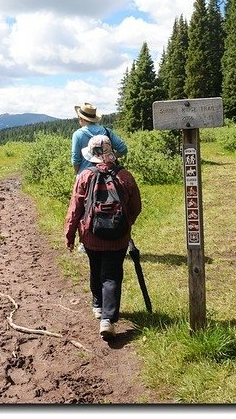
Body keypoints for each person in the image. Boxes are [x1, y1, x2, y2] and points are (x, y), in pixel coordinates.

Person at [64, 134, 142, 339]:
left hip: (91, 236)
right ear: (111, 153)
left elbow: (75, 209)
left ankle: (98, 306)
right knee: (112, 275)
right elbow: (136, 207)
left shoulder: (84, 176)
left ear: (91, 155)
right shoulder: (124, 176)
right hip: (118, 238)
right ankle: (107, 319)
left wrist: (70, 235)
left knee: (96, 269)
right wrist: (126, 224)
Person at [71, 102, 127, 175]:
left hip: (86, 174)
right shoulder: (107, 131)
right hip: (108, 173)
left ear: (80, 118)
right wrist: (110, 158)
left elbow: (75, 160)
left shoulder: (77, 135)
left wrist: (77, 173)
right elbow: (123, 149)